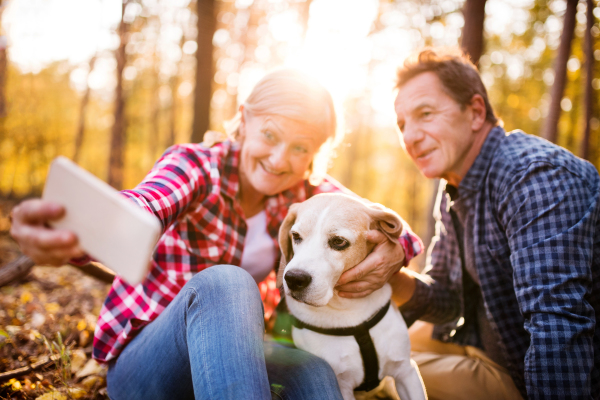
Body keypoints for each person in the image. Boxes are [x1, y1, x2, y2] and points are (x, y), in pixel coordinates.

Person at [9, 69, 423, 400]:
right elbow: (146, 203)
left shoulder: (307, 197)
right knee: (228, 282)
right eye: (271, 135)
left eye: (301, 148)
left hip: (235, 361)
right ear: (244, 120)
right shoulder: (195, 167)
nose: (280, 160)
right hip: (148, 366)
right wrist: (73, 226)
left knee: (316, 371)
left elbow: (384, 226)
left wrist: (393, 251)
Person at [355, 48, 598, 399]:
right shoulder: (455, 185)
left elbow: (557, 325)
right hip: (483, 344)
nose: (408, 137)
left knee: (372, 374)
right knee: (363, 351)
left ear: (475, 112)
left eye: (425, 114)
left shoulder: (534, 176)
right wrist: (390, 275)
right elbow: (448, 301)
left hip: (527, 375)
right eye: (402, 124)